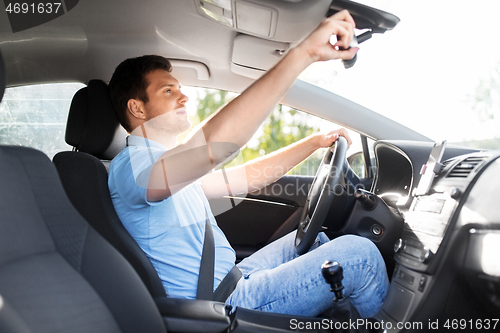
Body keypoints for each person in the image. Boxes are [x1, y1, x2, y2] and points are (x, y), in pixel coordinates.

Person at [107, 10, 389, 318]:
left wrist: (312, 144)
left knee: (317, 241)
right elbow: (210, 148)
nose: (184, 97)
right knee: (360, 257)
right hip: (219, 304)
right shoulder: (130, 169)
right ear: (137, 108)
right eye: (168, 91)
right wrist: (303, 53)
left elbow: (244, 178)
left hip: (233, 278)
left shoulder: (160, 166)